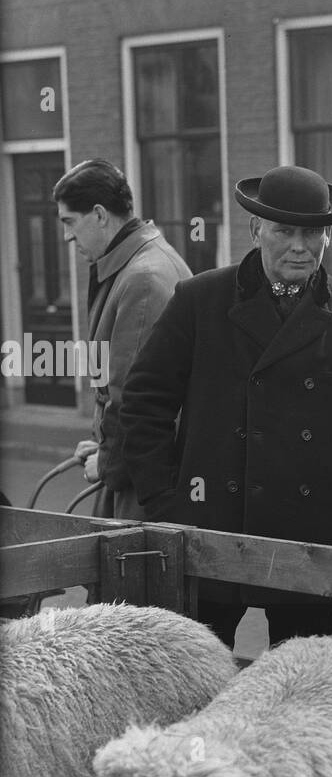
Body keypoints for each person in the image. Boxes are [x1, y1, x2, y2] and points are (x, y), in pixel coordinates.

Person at [120, 164, 332, 649]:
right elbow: (145, 401)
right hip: (212, 522)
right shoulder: (200, 300)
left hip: (314, 533)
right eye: (284, 231)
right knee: (198, 673)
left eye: (312, 232)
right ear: (256, 230)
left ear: (328, 237)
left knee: (305, 685)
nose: (300, 245)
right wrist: (166, 500)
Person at [53, 159, 191, 519]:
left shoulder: (142, 279)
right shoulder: (137, 264)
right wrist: (103, 446)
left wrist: (110, 461)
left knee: (125, 571)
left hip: (142, 481)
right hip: (137, 464)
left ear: (99, 214)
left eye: (70, 222)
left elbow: (132, 394)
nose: (67, 236)